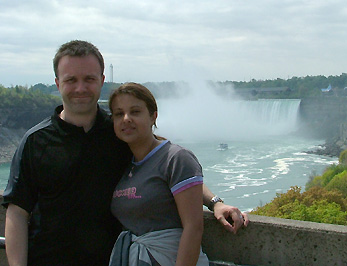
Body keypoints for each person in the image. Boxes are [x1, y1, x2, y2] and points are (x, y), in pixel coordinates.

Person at [2, 40, 248, 266]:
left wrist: (215, 203)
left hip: (112, 259)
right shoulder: (36, 141)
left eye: (89, 78)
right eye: (70, 80)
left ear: (101, 80)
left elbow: (168, 163)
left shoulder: (118, 131)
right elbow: (17, 211)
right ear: (57, 84)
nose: (80, 88)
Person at [108, 82, 209, 265]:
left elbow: (193, 227)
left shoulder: (176, 158)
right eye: (118, 114)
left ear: (153, 116)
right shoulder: (123, 163)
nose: (126, 118)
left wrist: (215, 202)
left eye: (135, 111)